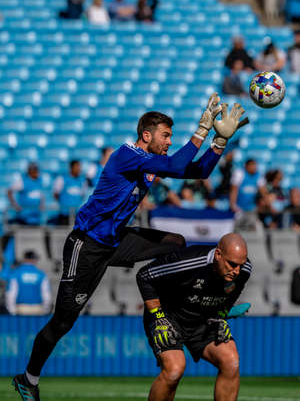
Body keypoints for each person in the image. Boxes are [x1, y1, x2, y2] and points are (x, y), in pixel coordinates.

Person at [12, 96, 249, 400]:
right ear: (146, 135)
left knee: (175, 243)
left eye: (171, 137)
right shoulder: (126, 154)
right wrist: (203, 130)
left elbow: (197, 171)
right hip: (87, 245)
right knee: (63, 321)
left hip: (117, 240)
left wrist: (219, 142)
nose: (169, 141)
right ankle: (28, 378)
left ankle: (182, 309)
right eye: (166, 136)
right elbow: (178, 163)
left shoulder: (149, 163)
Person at [136, 232, 252, 401]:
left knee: (231, 361)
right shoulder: (186, 262)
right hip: (168, 317)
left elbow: (231, 294)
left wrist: (221, 315)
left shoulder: (244, 270)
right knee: (174, 370)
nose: (237, 271)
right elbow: (144, 276)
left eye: (240, 265)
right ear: (218, 254)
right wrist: (158, 316)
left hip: (204, 319)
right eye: (232, 264)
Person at [5, 250, 52, 316]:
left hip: (21, 309)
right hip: (37, 309)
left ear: (24, 259)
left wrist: (12, 311)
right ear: (34, 259)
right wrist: (45, 309)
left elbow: (11, 294)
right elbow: (46, 294)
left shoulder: (15, 273)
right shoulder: (41, 274)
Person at [52, 160, 87, 225]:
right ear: (71, 168)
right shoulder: (62, 179)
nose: (79, 169)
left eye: (79, 167)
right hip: (65, 214)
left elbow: (83, 195)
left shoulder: (82, 181)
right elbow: (55, 194)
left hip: (76, 214)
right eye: (77, 167)